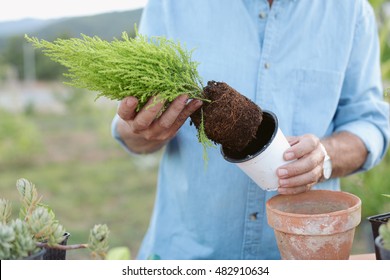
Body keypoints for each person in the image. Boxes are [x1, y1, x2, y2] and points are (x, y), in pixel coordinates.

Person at [111, 0, 390, 259]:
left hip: (302, 254)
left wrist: (326, 157)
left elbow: (371, 123)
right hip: (187, 254)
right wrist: (141, 129)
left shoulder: (350, 11)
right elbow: (132, 132)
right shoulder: (172, 6)